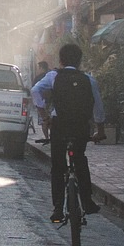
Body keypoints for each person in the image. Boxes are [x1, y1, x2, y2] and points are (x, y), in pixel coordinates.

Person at [31, 43, 105, 224]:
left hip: (59, 126)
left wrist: (44, 116)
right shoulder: (88, 79)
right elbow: (98, 107)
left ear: (61, 60)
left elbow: (35, 91)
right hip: (80, 128)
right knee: (80, 160)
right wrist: (100, 130)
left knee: (58, 166)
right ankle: (87, 202)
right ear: (79, 61)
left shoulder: (54, 76)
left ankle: (57, 208)